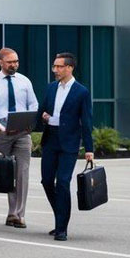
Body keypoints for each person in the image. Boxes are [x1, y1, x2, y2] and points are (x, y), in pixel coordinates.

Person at [37, 52, 93, 241]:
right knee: (46, 181)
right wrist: (44, 116)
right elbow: (43, 110)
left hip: (69, 143)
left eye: (59, 66)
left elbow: (86, 121)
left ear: (70, 68)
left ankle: (62, 228)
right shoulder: (51, 87)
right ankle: (60, 215)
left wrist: (89, 149)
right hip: (50, 140)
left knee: (62, 182)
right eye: (54, 66)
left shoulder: (81, 91)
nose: (55, 70)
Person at [0, 48, 38, 228]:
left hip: (22, 132)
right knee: (6, 172)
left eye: (16, 61)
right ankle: (12, 211)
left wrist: (30, 121)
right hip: (2, 131)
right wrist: (1, 127)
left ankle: (17, 214)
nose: (14, 65)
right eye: (10, 62)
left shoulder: (25, 81)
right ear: (0, 62)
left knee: (22, 172)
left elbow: (33, 104)